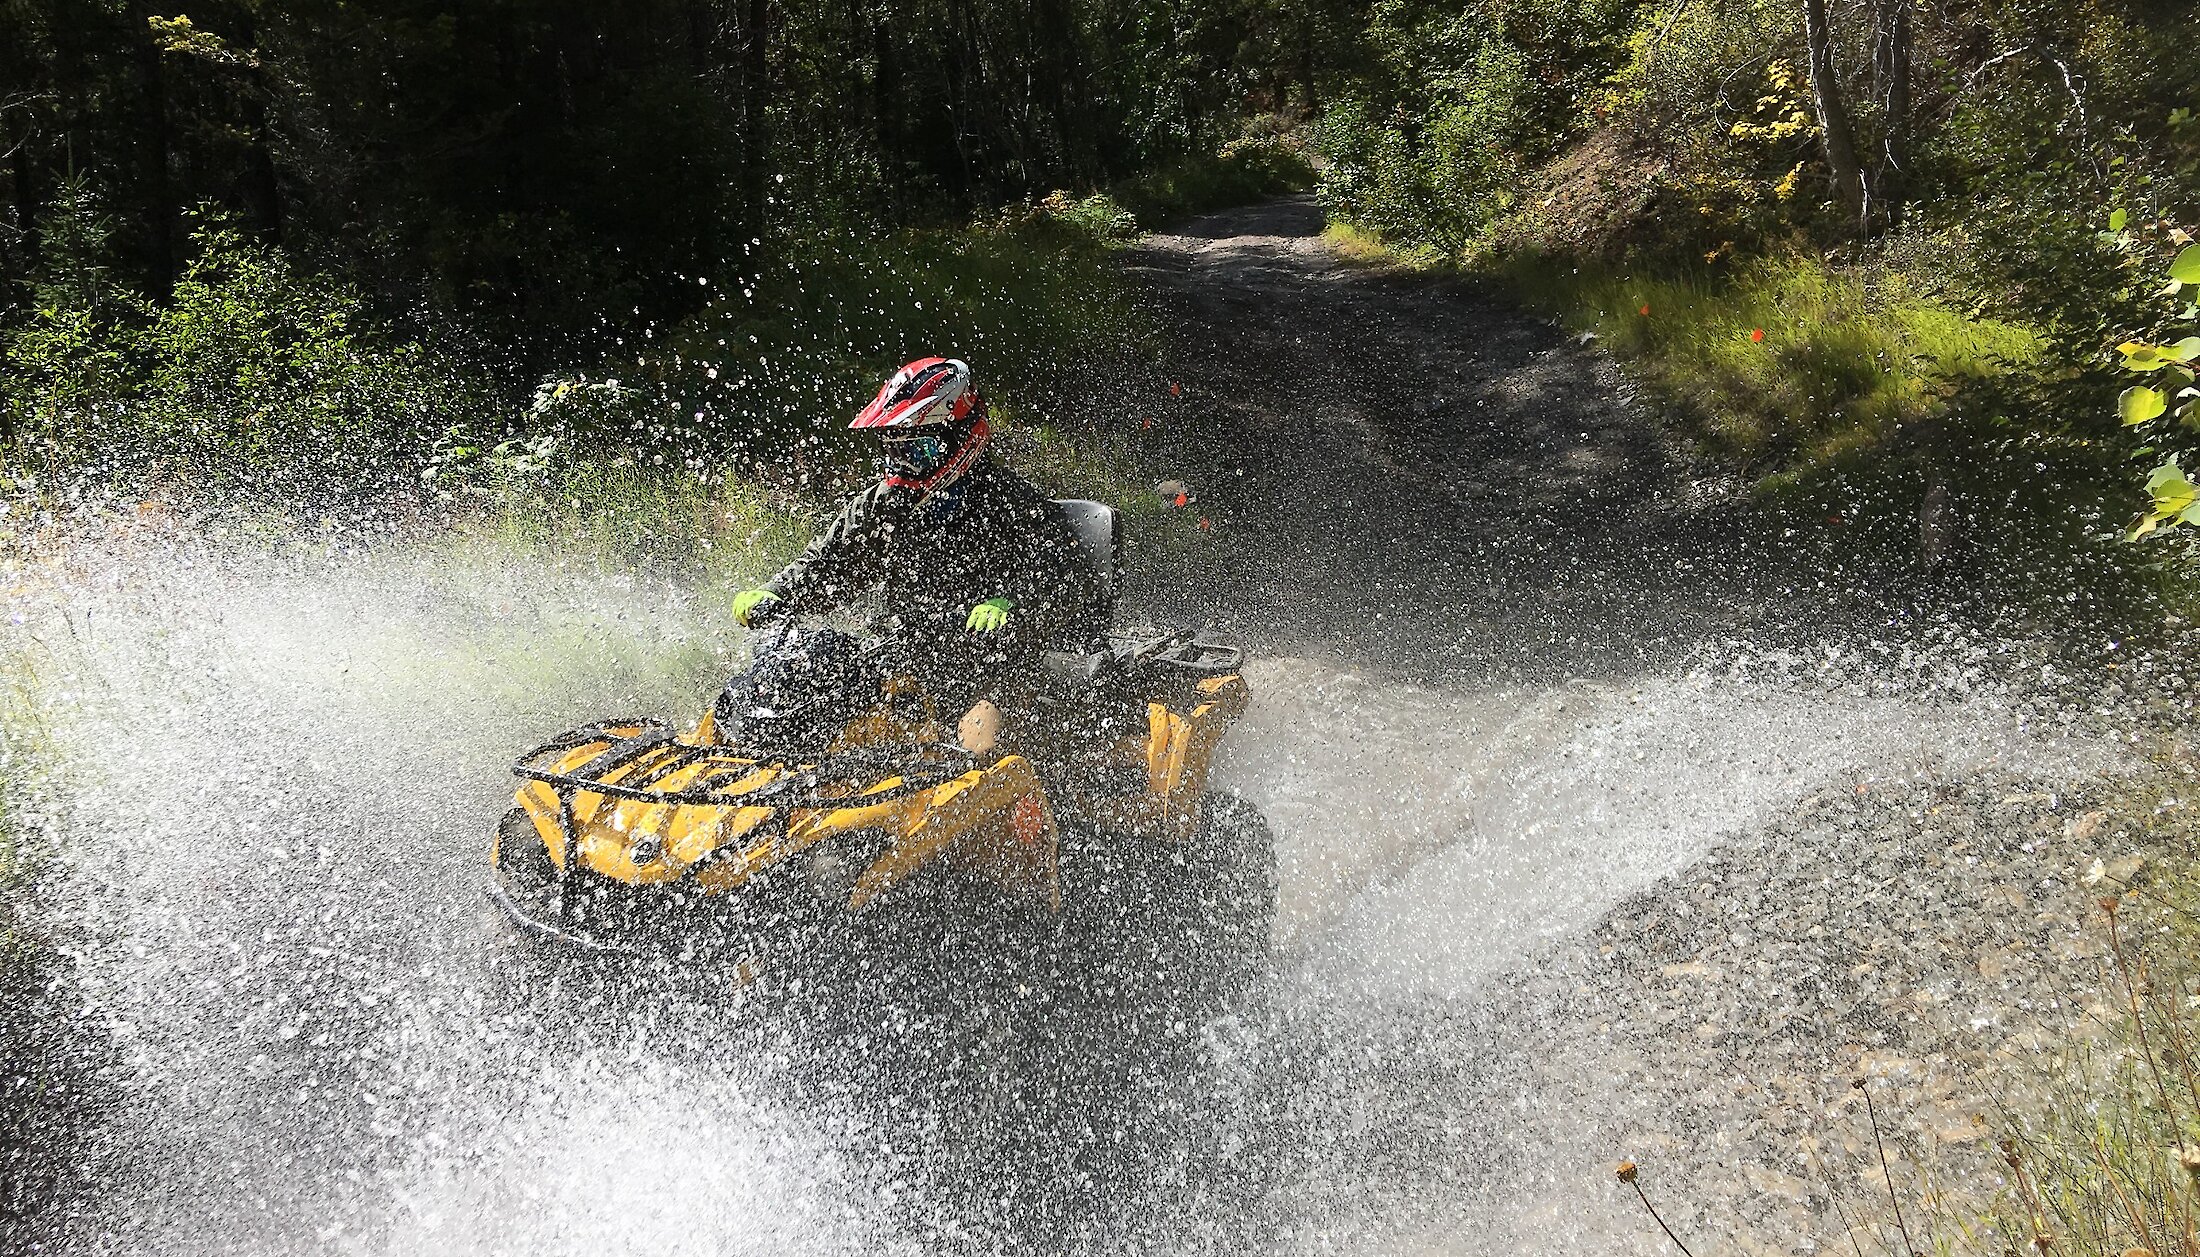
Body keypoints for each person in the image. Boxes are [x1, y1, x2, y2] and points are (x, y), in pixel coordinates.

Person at [729, 357, 1105, 713]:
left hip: (994, 667)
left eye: (917, 451)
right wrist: (777, 591)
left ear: (960, 436)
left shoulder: (1011, 503)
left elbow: (1062, 572)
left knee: (981, 732)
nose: (903, 468)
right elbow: (832, 563)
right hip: (901, 657)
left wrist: (1010, 604)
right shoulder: (884, 504)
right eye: (894, 451)